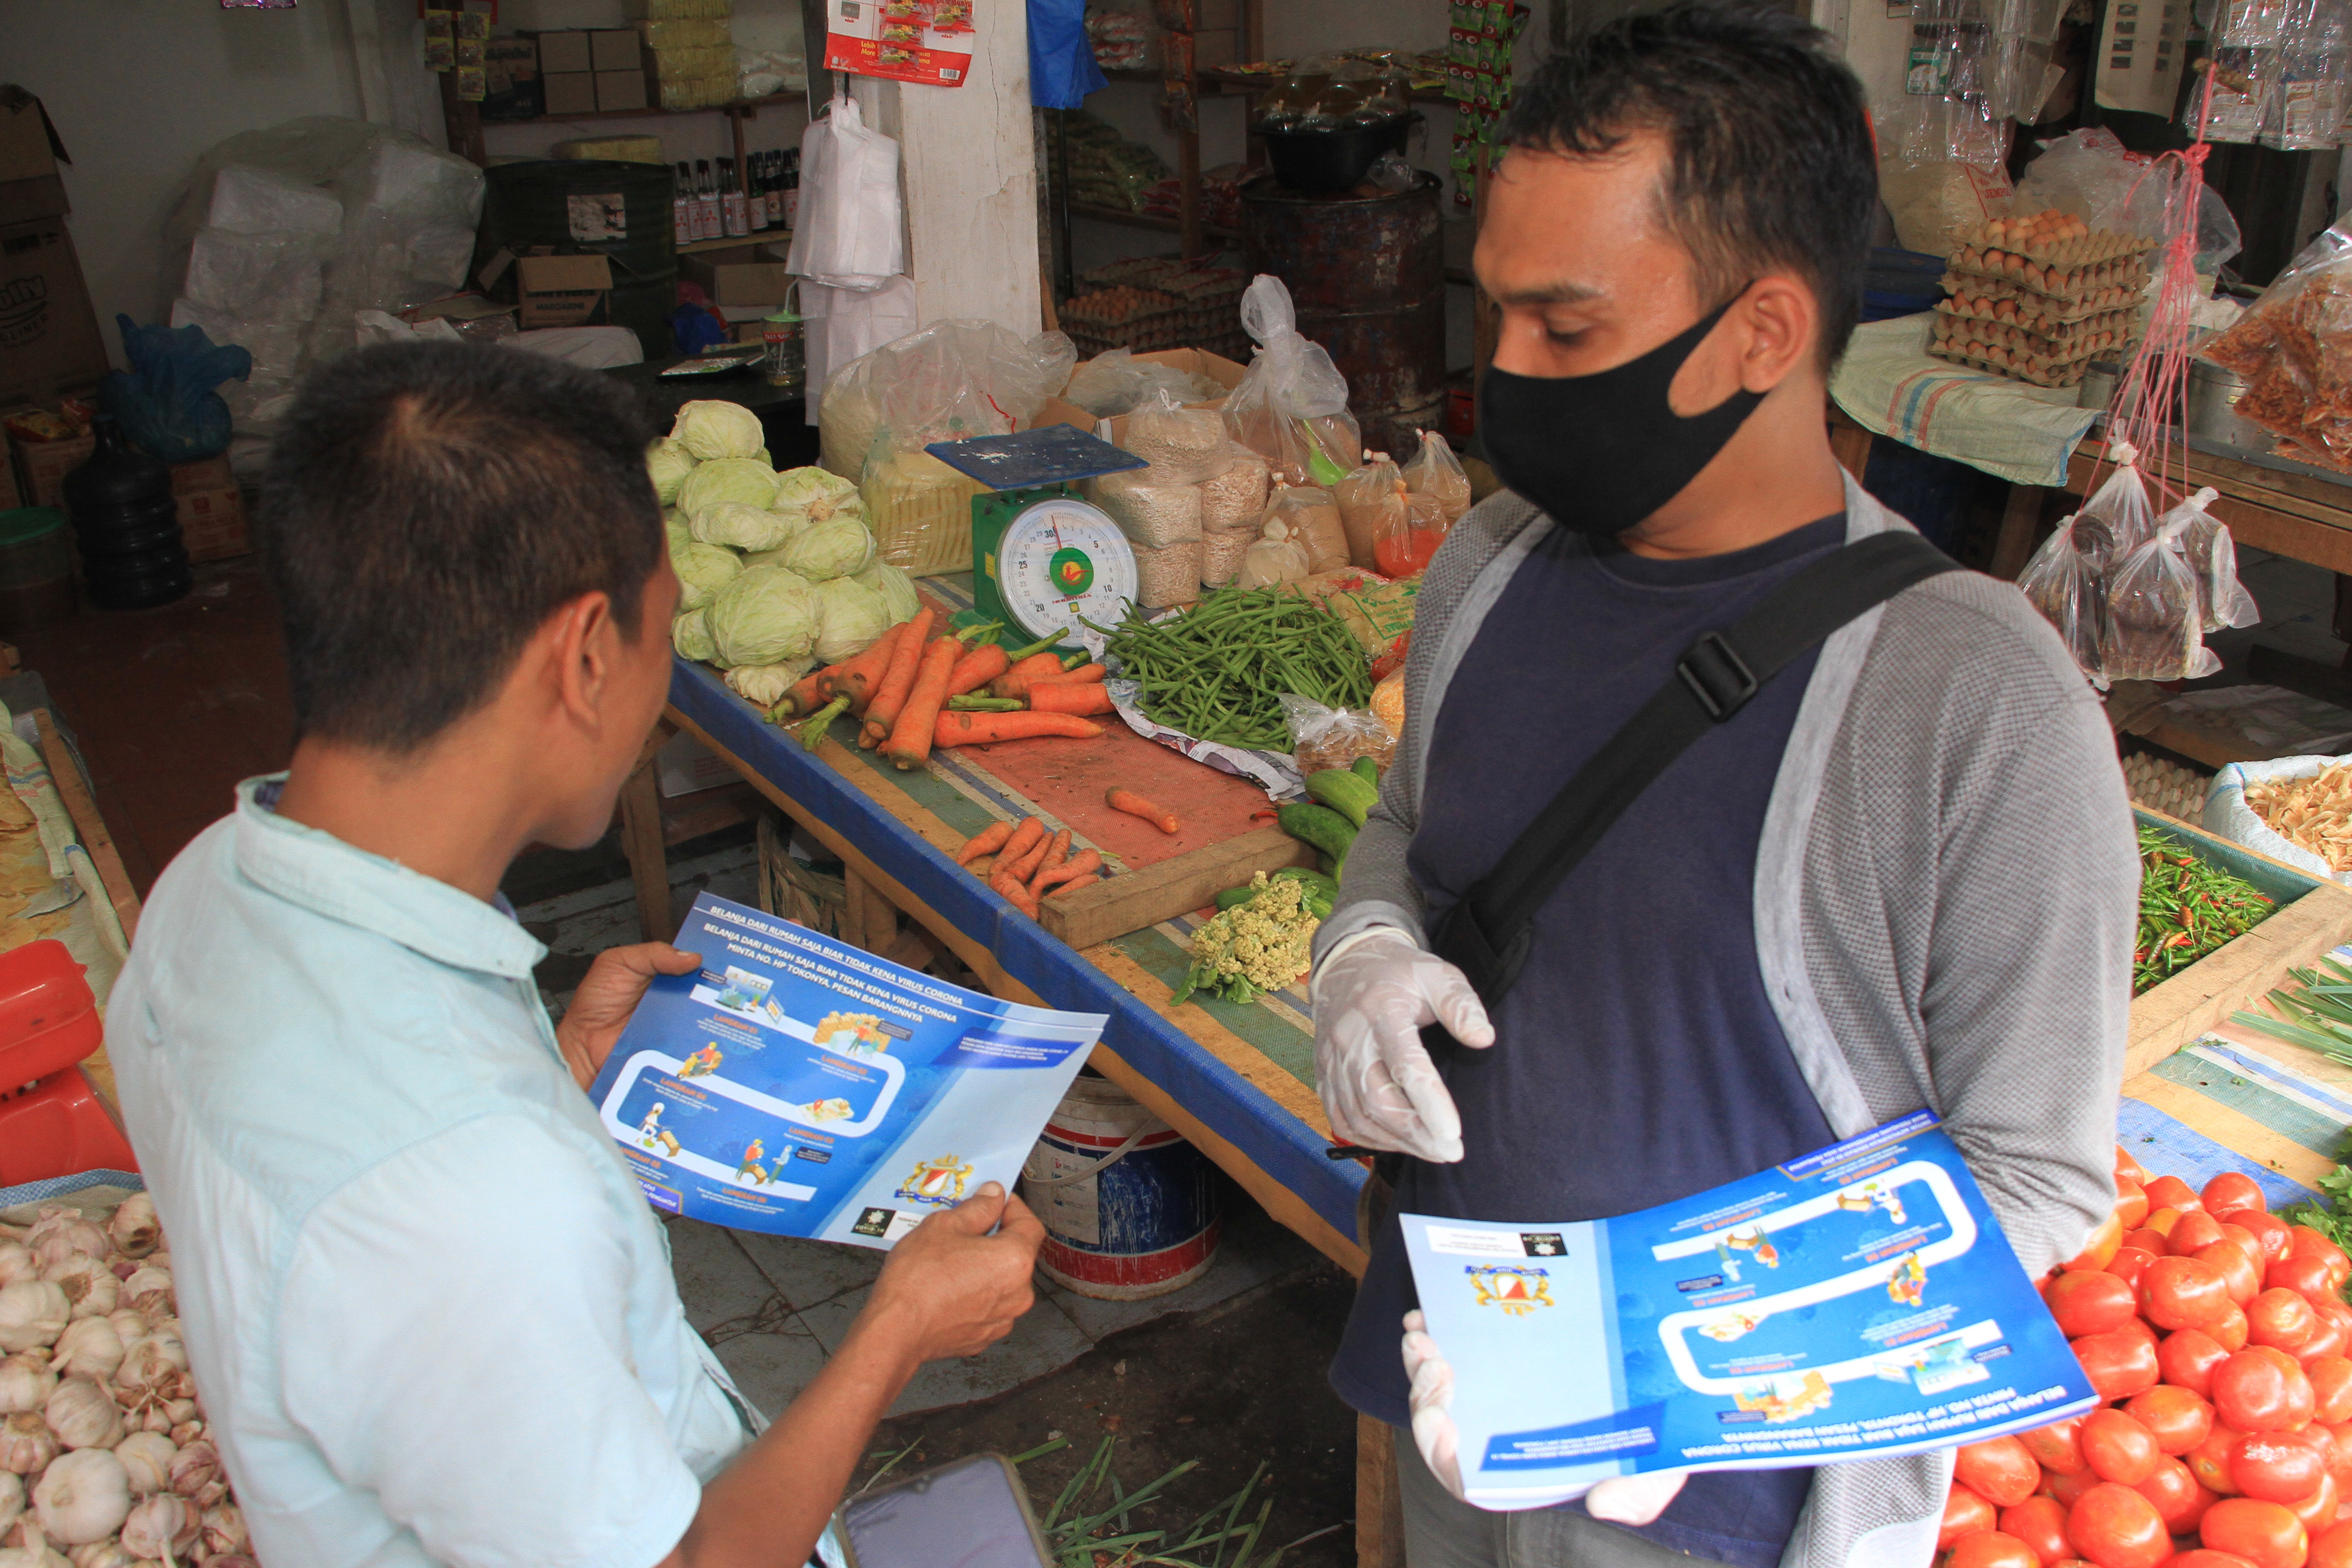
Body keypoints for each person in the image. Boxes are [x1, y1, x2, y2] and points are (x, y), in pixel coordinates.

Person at [1308, 6, 2137, 1566]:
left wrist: (1697, 1369)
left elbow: (2036, 1178)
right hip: (1448, 1389)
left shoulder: (1977, 701)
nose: (1511, 373)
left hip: (1724, 1508)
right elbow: (1413, 837)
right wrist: (1361, 956)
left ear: (1761, 334)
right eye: (1497, 315)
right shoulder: (1489, 565)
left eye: (1567, 329)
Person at [106, 342, 1047, 1568]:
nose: (661, 698)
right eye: (661, 638)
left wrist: (548, 1082)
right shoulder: (468, 1201)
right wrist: (895, 1330)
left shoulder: (202, 887)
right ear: (585, 658)